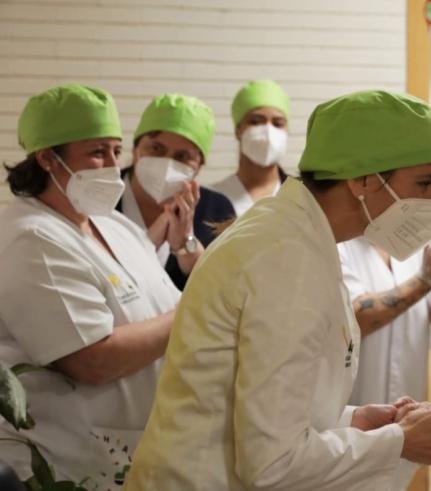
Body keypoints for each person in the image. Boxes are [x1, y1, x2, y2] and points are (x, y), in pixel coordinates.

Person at [124, 90, 431, 490]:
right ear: (363, 179)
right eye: (424, 182)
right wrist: (399, 441)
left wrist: (354, 421)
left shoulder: (298, 234)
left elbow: (265, 405)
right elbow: (272, 464)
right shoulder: (286, 256)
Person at [0, 85, 179, 487]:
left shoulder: (114, 225)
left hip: (141, 450)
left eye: (117, 151)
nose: (113, 166)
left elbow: (167, 305)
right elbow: (93, 359)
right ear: (47, 158)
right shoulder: (32, 239)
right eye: (98, 152)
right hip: (69, 460)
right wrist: (195, 312)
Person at [339, 215, 431, 489]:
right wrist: (427, 276)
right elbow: (356, 318)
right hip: (347, 424)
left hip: (406, 419)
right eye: (422, 183)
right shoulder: (339, 240)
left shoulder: (413, 234)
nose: (428, 196)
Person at [117, 93, 236, 290]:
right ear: (136, 147)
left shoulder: (216, 209)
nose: (167, 163)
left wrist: (186, 245)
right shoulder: (104, 198)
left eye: (183, 156)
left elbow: (223, 290)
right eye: (156, 148)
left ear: (199, 165)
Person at [213, 79, 290, 216]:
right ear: (238, 131)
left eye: (277, 124)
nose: (268, 131)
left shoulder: (304, 197)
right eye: (255, 121)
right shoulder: (212, 198)